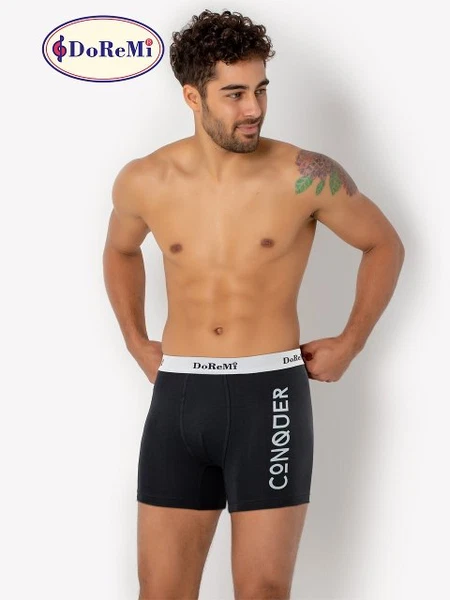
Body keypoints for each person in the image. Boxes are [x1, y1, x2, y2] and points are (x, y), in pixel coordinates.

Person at [102, 9, 405, 600]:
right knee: (160, 591)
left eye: (261, 89)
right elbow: (120, 251)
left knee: (263, 590)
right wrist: (135, 340)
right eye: (235, 93)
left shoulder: (305, 174)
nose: (254, 109)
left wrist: (351, 341)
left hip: (269, 398)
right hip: (179, 397)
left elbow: (383, 244)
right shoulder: (145, 179)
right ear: (193, 96)